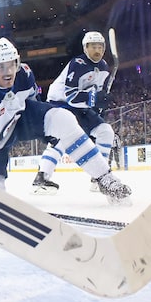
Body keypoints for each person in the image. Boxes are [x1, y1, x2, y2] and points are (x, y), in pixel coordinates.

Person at [0, 38, 131, 201]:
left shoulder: (24, 74)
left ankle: (104, 177)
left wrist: (48, 130)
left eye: (11, 65)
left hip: (18, 120)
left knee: (63, 119)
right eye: (0, 67)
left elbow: (35, 104)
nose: (8, 72)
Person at [46, 31, 119, 193]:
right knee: (61, 140)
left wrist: (101, 101)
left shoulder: (104, 67)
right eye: (93, 47)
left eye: (100, 47)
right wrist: (94, 98)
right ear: (85, 48)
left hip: (80, 105)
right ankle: (42, 177)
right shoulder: (77, 63)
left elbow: (93, 94)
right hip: (60, 103)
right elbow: (71, 96)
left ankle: (99, 177)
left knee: (106, 131)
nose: (97, 50)